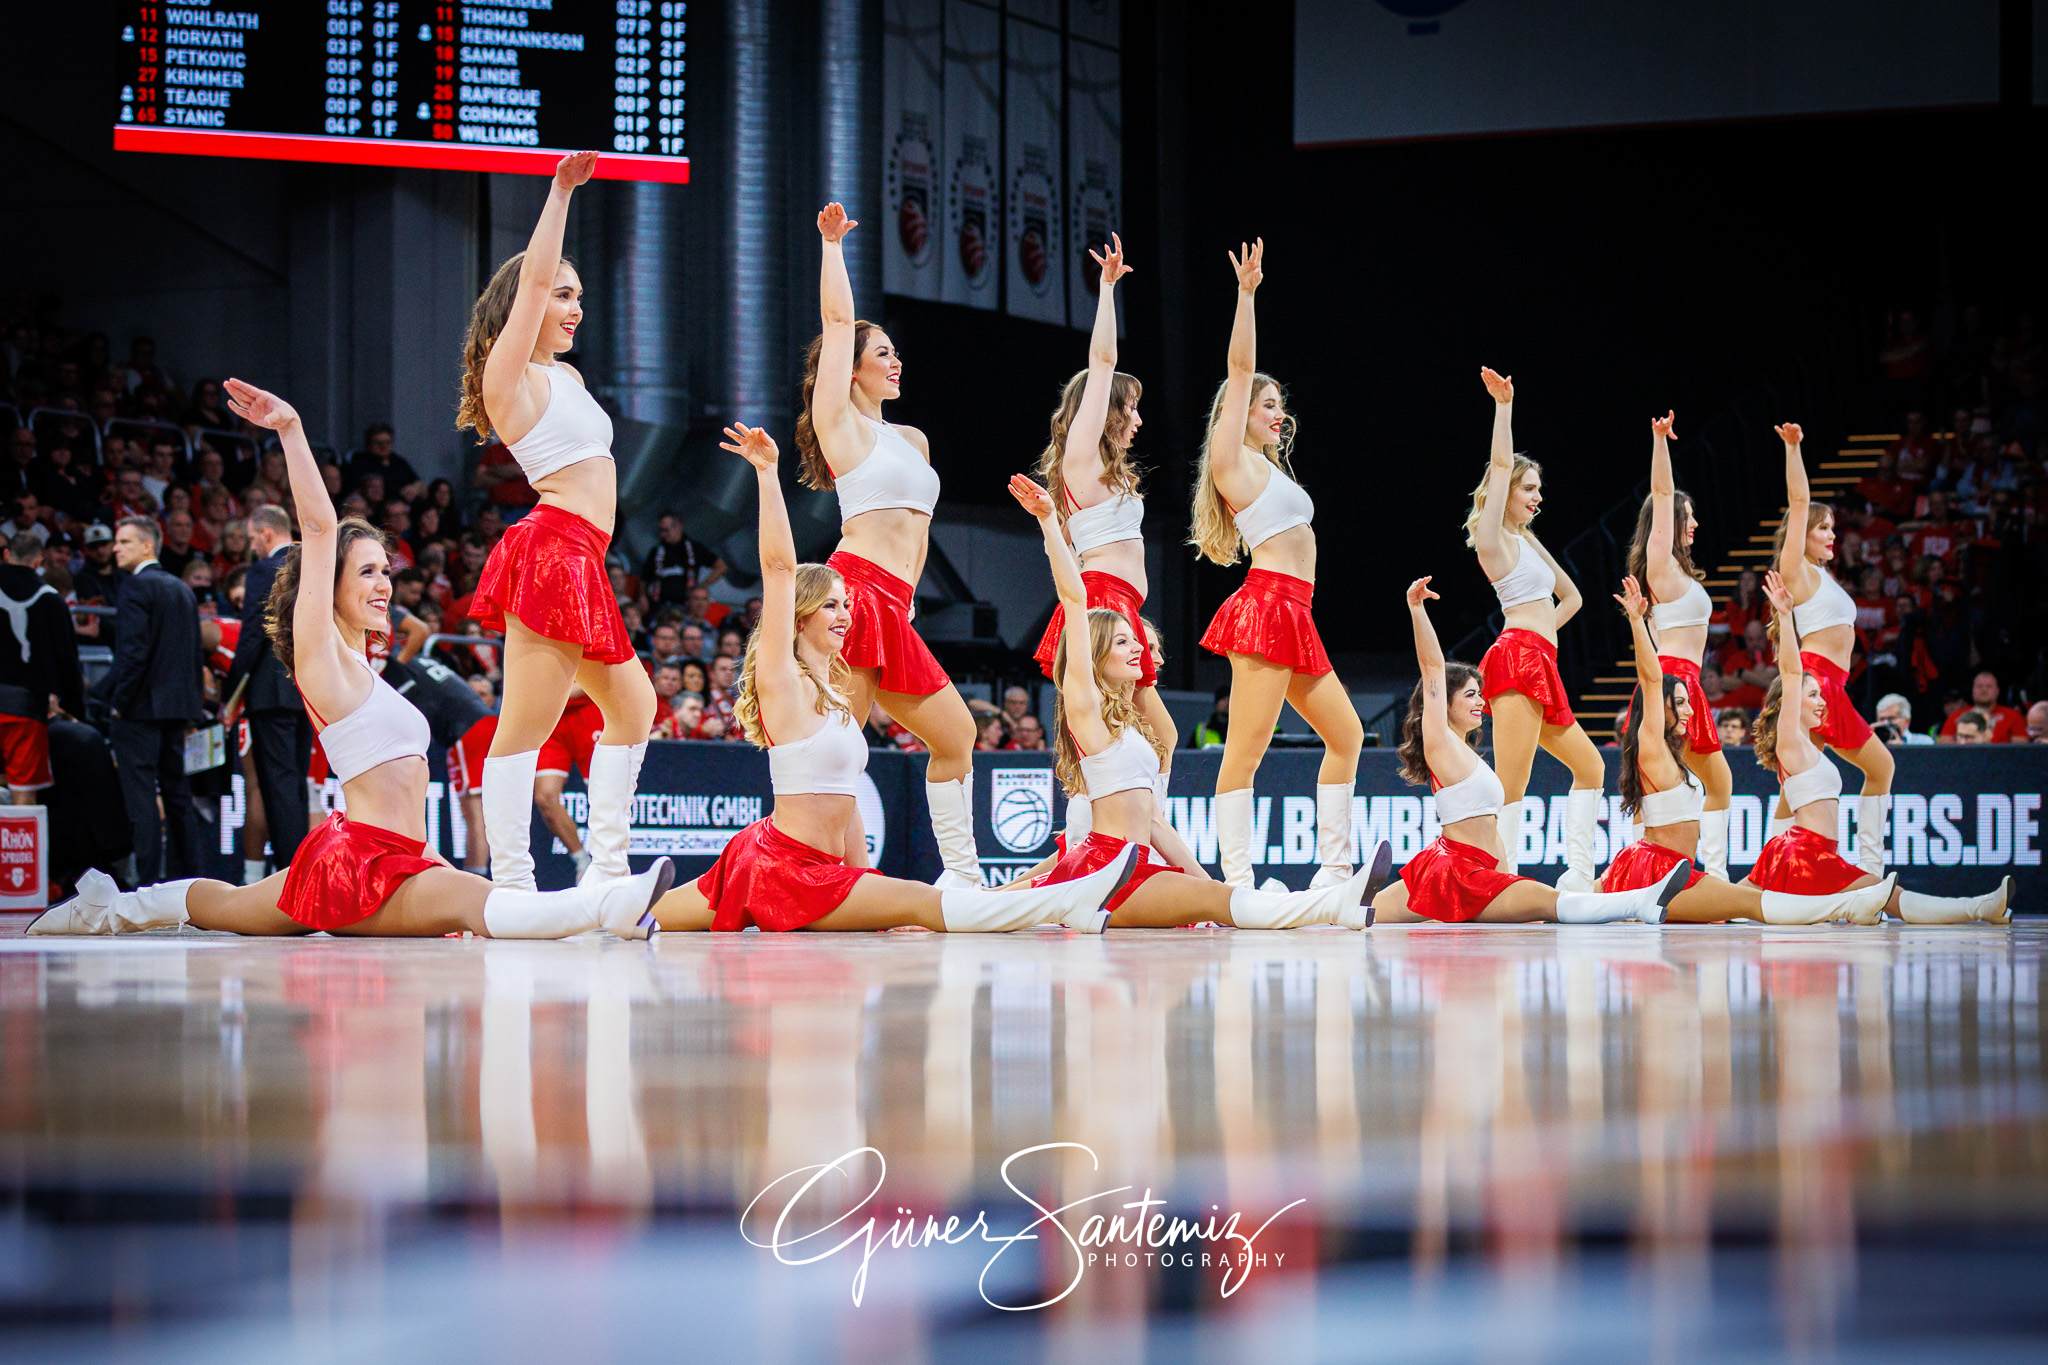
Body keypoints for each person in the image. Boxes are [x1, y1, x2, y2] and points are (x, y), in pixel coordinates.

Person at [31, 381, 672, 938]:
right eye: (366, 572)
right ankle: (609, 905)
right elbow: (316, 526)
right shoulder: (320, 654)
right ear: (328, 585)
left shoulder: (369, 670)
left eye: (385, 571)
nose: (383, 585)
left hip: (395, 859)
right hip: (360, 864)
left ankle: (111, 909)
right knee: (487, 904)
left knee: (224, 905)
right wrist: (291, 429)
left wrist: (431, 864)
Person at [650, 424, 1134, 933]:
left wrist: (865, 894)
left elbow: (845, 804)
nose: (843, 615)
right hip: (783, 868)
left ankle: (599, 902)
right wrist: (768, 473)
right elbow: (776, 567)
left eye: (845, 604)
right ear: (799, 617)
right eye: (830, 606)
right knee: (926, 905)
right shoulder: (782, 679)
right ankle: (1066, 900)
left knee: (640, 917)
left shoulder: (836, 695)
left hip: (802, 870)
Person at [1010, 471, 1388, 927]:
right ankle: (1333, 903)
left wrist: (1208, 882)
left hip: (1129, 868)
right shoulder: (1085, 707)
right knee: (1223, 903)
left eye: (1139, 641)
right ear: (1093, 658)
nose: (1139, 650)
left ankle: (1328, 900)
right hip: (1102, 873)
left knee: (1216, 901)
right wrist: (1051, 522)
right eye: (1125, 643)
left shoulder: (1137, 729)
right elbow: (1073, 596)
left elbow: (1154, 826)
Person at [458, 151, 656, 892]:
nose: (574, 306)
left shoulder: (566, 375)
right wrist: (560, 191)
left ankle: (606, 872)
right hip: (551, 548)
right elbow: (534, 276)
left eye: (580, 296)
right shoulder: (506, 376)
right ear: (526, 302)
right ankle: (510, 883)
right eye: (562, 294)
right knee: (526, 725)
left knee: (635, 705)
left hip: (585, 557)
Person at [792, 203, 980, 886]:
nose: (895, 361)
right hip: (855, 590)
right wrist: (832, 247)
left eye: (896, 353)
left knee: (957, 736)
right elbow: (839, 323)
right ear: (852, 371)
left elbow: (921, 540)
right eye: (882, 354)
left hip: (896, 607)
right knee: (841, 748)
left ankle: (959, 879)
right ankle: (841, 879)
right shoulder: (840, 424)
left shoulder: (914, 440)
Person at [1191, 240, 1364, 891]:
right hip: (1265, 607)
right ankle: (1236, 883)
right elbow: (1240, 370)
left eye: (1278, 404)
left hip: (1298, 613)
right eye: (1267, 403)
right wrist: (1246, 294)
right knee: (1246, 750)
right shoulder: (1232, 462)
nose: (1276, 410)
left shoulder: (1270, 468)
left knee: (1345, 736)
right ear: (1239, 415)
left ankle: (1333, 871)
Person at [1370, 579, 1685, 925]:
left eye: (1480, 693)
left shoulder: (1470, 756)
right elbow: (1432, 667)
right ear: (1445, 702)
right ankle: (1640, 901)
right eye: (1471, 695)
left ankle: (1315, 903)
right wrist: (1417, 610)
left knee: (1360, 911)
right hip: (1453, 870)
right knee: (1550, 902)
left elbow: (1492, 831)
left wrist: (1505, 878)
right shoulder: (1439, 740)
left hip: (1473, 873)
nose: (1480, 701)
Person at [1607, 576, 1894, 924]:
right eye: (1680, 703)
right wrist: (1638, 622)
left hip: (1668, 873)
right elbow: (1652, 679)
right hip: (1658, 874)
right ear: (1660, 709)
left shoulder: (1675, 757)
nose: (1690, 710)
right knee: (1750, 902)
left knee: (1744, 900)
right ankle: (1848, 905)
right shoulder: (1650, 743)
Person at [1745, 570, 2011, 923]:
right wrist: (1783, 614)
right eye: (1813, 696)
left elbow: (1784, 809)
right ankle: (1980, 908)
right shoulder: (1791, 738)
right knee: (1891, 897)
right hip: (1806, 856)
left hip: (1807, 854)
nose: (1822, 703)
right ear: (1791, 704)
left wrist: (1770, 863)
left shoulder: (1806, 747)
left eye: (1821, 695)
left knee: (1735, 902)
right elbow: (1792, 674)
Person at [1029, 235, 1180, 785]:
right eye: (1131, 408)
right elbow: (1102, 361)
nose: (1138, 420)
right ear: (1106, 412)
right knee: (1143, 739)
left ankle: (1126, 843)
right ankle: (1123, 845)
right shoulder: (1082, 460)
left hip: (1120, 607)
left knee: (1131, 740)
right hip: (1102, 604)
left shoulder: (1106, 473)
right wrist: (1108, 290)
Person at [1467, 368, 1606, 889]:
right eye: (1529, 487)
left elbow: (1572, 596)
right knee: (1512, 783)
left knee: (1590, 768)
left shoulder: (1525, 538)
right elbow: (1501, 462)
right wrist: (1504, 406)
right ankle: (1499, 878)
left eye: (1539, 488)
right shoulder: (1493, 539)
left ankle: (1578, 876)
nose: (1536, 495)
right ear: (1505, 491)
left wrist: (1546, 629)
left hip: (1540, 660)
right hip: (1516, 658)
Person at [1773, 423, 1893, 875]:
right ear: (1800, 535)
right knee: (1880, 767)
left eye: (1832, 528)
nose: (1830, 534)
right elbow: (1799, 502)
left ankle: (1774, 872)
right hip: (1816, 679)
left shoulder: (1824, 578)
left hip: (1824, 683)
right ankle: (1871, 873)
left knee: (1796, 783)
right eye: (1822, 528)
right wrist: (1795, 449)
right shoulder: (1798, 571)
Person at [1626, 411, 1734, 879]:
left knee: (1698, 782)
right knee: (1699, 782)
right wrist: (1659, 442)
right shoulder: (1662, 568)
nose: (1694, 524)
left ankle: (1695, 872)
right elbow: (1664, 493)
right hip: (1671, 682)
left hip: (1680, 682)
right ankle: (1697, 874)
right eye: (1685, 519)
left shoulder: (1678, 573)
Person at [101, 514, 204, 885]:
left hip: (139, 710)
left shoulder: (134, 587)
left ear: (147, 546)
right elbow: (194, 655)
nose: (115, 548)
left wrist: (118, 701)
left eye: (124, 542)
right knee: (178, 796)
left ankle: (145, 884)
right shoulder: (181, 588)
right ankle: (192, 881)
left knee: (141, 797)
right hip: (177, 709)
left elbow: (134, 654)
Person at [222, 503, 314, 875]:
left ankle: (290, 874)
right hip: (309, 686)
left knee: (277, 784)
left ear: (265, 534)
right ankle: (302, 869)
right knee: (296, 780)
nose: (251, 547)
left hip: (270, 690)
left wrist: (229, 692)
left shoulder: (265, 570)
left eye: (251, 540)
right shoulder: (317, 564)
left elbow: (252, 635)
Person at [0, 532, 83, 803]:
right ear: (39, 561)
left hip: (21, 704)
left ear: (6, 555)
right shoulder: (50, 599)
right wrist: (75, 707)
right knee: (24, 790)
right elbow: (67, 660)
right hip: (24, 709)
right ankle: (21, 847)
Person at [535, 684, 605, 880]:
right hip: (550, 718)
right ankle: (583, 862)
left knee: (603, 797)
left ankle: (608, 865)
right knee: (545, 798)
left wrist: (547, 694)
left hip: (588, 709)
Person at [1937, 670, 2026, 742]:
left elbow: (2019, 751)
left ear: (1997, 691)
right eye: (1979, 686)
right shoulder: (1956, 716)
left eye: (1989, 686)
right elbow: (1946, 749)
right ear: (1973, 690)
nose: (1984, 690)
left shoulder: (2012, 716)